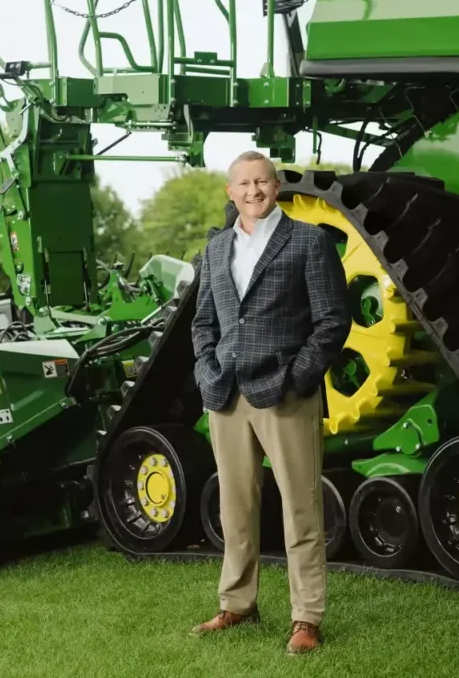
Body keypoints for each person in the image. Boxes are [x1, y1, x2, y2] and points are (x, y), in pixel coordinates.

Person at [189, 150, 351, 655]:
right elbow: (203, 323)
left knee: (300, 507)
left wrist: (299, 378)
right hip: (225, 394)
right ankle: (237, 604)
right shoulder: (216, 249)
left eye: (262, 182)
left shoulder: (309, 241)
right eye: (244, 184)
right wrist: (206, 369)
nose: (253, 191)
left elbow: (332, 320)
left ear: (276, 187)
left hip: (284, 393)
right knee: (235, 508)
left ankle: (306, 617)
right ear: (230, 192)